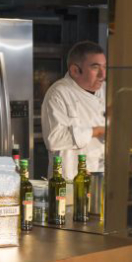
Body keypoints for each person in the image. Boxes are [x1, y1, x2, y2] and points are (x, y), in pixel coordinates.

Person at [41, 41, 106, 180]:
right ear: (75, 70)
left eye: (104, 67)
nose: (102, 74)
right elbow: (54, 139)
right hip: (68, 180)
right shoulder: (58, 93)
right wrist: (96, 131)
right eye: (95, 67)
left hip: (100, 175)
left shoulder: (106, 90)